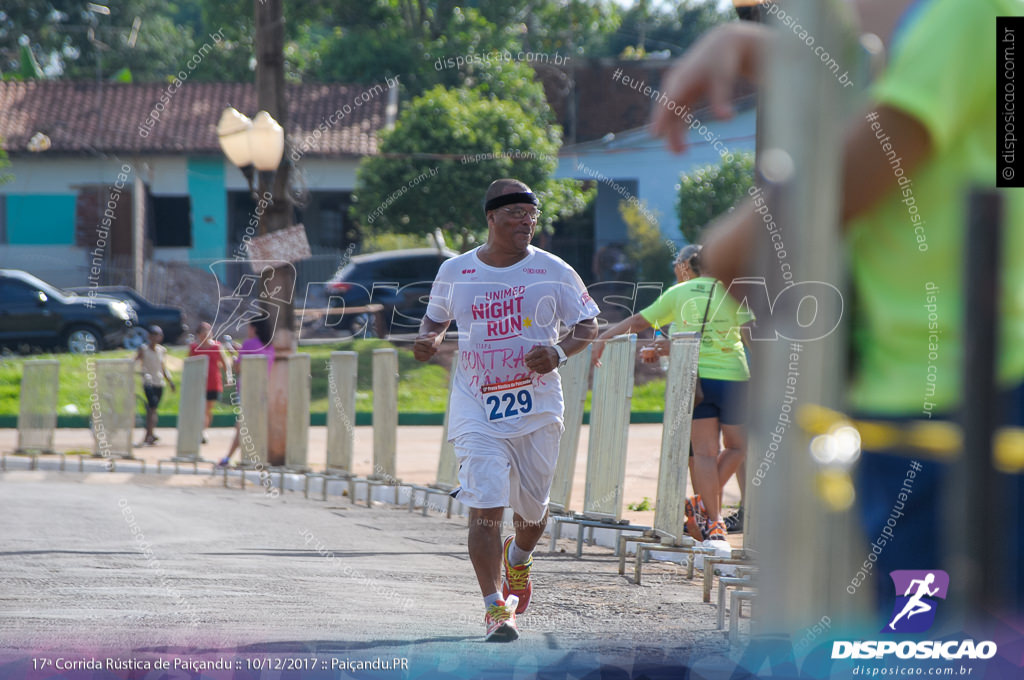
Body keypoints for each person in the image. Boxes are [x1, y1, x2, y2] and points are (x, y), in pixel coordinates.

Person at [651, 0, 1024, 609]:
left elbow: (846, 177)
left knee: (939, 649)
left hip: (966, 406)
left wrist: (723, 246)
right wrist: (749, 45)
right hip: (922, 398)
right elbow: (875, 87)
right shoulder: (965, 24)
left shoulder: (968, 12)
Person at [414, 178, 600, 642]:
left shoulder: (553, 270)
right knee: (485, 505)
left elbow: (588, 324)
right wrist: (430, 337)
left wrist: (558, 352)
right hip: (476, 404)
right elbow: (436, 316)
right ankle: (495, 606)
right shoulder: (456, 271)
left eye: (532, 215)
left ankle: (519, 560)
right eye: (517, 213)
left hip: (536, 406)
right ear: (492, 217)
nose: (527, 222)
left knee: (532, 513)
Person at [593, 244, 751, 542]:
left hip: (694, 378)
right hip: (734, 377)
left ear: (690, 267)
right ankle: (705, 506)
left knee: (703, 453)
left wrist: (604, 336)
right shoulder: (734, 292)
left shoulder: (678, 294)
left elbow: (640, 321)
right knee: (738, 448)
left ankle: (712, 520)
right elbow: (752, 334)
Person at [219, 318, 275, 467]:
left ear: (254, 328)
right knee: (251, 424)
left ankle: (228, 457)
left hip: (247, 390)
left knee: (242, 425)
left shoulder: (248, 344)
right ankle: (235, 456)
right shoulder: (270, 346)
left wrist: (234, 354)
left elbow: (238, 368)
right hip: (263, 389)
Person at [189, 321, 229, 444]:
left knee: (207, 408)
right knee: (199, 408)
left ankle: (203, 431)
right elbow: (189, 363)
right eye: (203, 332)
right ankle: (198, 430)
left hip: (213, 382)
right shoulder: (194, 348)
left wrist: (228, 377)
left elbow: (225, 362)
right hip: (198, 382)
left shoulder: (217, 346)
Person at [136, 325, 175, 446]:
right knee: (152, 407)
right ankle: (149, 434)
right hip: (148, 381)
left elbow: (163, 368)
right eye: (153, 335)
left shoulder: (162, 350)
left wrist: (170, 381)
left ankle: (150, 434)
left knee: (153, 409)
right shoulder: (143, 349)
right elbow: (135, 361)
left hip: (159, 382)